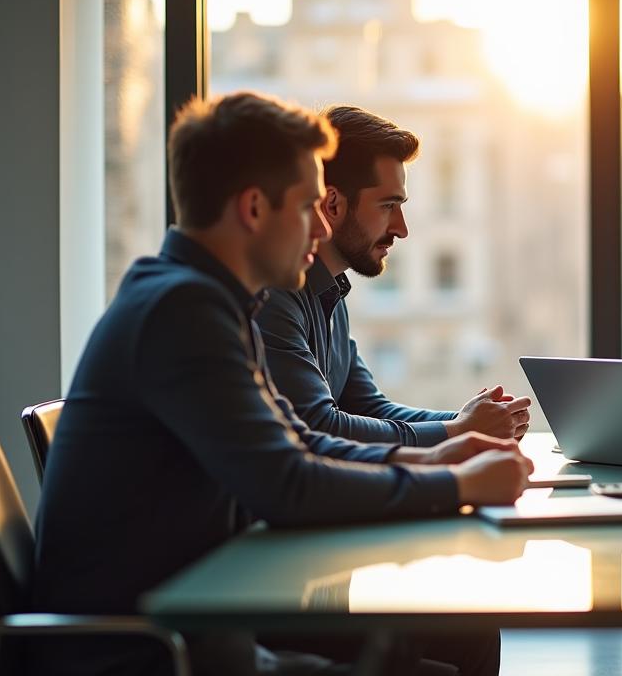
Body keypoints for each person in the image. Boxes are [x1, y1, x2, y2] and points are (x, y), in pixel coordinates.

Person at [27, 91, 531, 676]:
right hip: (150, 651)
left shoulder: (203, 298)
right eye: (310, 205)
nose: (321, 228)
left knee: (455, 633)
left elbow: (298, 442)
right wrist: (453, 481)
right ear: (254, 209)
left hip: (200, 623)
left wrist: (439, 456)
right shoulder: (182, 309)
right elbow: (287, 485)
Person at [257, 105, 531, 448]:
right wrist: (459, 431)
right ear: (333, 205)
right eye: (388, 206)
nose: (401, 229)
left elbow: (370, 409)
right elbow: (318, 426)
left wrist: (472, 423)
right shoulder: (275, 295)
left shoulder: (330, 293)